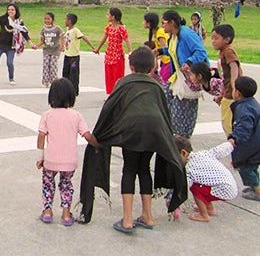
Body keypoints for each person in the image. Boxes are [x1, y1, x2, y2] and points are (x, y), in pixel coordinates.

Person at [78, 46, 186, 233]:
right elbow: (165, 114)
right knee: (144, 169)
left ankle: (127, 219)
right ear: (153, 66)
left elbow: (110, 108)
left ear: (131, 65)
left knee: (129, 168)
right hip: (154, 133)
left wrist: (100, 135)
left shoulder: (124, 83)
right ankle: (148, 216)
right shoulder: (157, 86)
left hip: (131, 132)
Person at [36, 78, 93, 226]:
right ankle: (66, 215)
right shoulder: (76, 116)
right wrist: (98, 145)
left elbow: (41, 136)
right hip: (69, 161)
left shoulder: (47, 115)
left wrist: (40, 157)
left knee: (48, 184)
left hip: (51, 160)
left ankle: (48, 212)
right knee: (66, 184)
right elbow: (87, 135)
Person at [158, 10, 209, 138]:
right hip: (177, 76)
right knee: (165, 100)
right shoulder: (173, 36)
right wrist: (160, 51)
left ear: (172, 22)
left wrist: (189, 61)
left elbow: (201, 52)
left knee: (183, 108)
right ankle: (172, 132)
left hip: (188, 78)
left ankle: (182, 137)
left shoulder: (186, 34)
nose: (162, 26)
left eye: (164, 23)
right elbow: (173, 51)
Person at [175, 136, 238, 222]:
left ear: (183, 153)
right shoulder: (203, 153)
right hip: (230, 186)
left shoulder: (189, 169)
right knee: (202, 184)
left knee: (195, 188)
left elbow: (183, 188)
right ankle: (209, 208)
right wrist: (230, 144)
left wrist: (174, 202)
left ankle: (203, 215)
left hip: (224, 190)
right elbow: (219, 150)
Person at [212, 24, 242, 135]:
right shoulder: (222, 52)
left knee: (228, 123)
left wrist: (235, 87)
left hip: (231, 94)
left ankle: (235, 144)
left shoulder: (228, 51)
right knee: (227, 122)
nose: (213, 41)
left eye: (216, 38)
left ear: (227, 39)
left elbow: (234, 66)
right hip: (227, 93)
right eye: (212, 38)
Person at [94, 8, 132, 96]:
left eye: (108, 14)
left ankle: (118, 94)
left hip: (118, 55)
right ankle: (110, 94)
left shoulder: (121, 28)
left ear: (113, 17)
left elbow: (127, 40)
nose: (106, 16)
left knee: (117, 76)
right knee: (109, 76)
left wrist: (130, 52)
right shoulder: (108, 27)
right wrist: (98, 48)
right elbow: (104, 38)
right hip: (109, 55)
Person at [62, 13, 95, 95]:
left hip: (74, 57)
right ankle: (66, 89)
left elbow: (84, 38)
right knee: (65, 73)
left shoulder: (75, 30)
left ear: (69, 21)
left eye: (65, 19)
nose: (64, 21)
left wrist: (93, 47)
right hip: (67, 56)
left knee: (74, 74)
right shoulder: (67, 31)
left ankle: (74, 91)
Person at [31, 12, 64, 87]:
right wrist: (36, 46)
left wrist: (62, 46)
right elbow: (42, 41)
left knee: (53, 65)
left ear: (52, 20)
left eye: (48, 19)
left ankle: (54, 82)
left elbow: (63, 36)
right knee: (46, 65)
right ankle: (45, 82)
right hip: (46, 50)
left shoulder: (57, 28)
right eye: (45, 19)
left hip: (55, 50)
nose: (46, 20)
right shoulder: (43, 29)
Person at [143, 12, 170, 83]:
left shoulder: (159, 34)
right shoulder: (157, 32)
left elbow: (165, 49)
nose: (143, 22)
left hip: (168, 61)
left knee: (164, 82)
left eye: (144, 20)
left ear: (149, 23)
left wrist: (156, 56)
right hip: (165, 62)